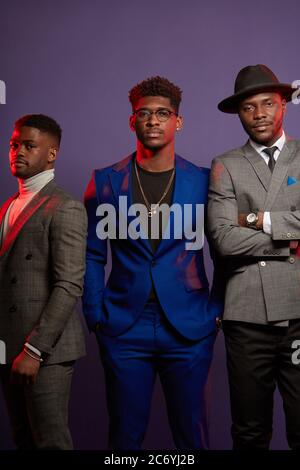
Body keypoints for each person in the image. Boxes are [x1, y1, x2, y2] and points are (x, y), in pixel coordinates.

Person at [83, 76, 222, 450]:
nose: (153, 121)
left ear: (178, 122)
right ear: (132, 121)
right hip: (125, 326)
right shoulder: (104, 182)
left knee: (193, 436)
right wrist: (95, 313)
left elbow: (223, 249)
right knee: (124, 439)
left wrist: (216, 311)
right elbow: (93, 253)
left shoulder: (206, 182)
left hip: (190, 325)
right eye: (144, 114)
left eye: (163, 113)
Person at [208, 64, 300, 449]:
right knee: (249, 429)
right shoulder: (225, 165)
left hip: (298, 311)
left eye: (267, 103)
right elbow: (224, 240)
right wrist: (292, 240)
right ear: (239, 114)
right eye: (249, 107)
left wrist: (256, 219)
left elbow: (239, 229)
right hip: (246, 317)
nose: (259, 113)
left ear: (285, 105)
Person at [0, 114, 87, 449]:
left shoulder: (64, 207)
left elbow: (68, 285)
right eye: (14, 144)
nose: (18, 151)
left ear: (51, 154)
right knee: (22, 439)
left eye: (29, 145)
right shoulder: (9, 205)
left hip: (44, 350)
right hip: (8, 344)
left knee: (50, 441)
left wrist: (34, 350)